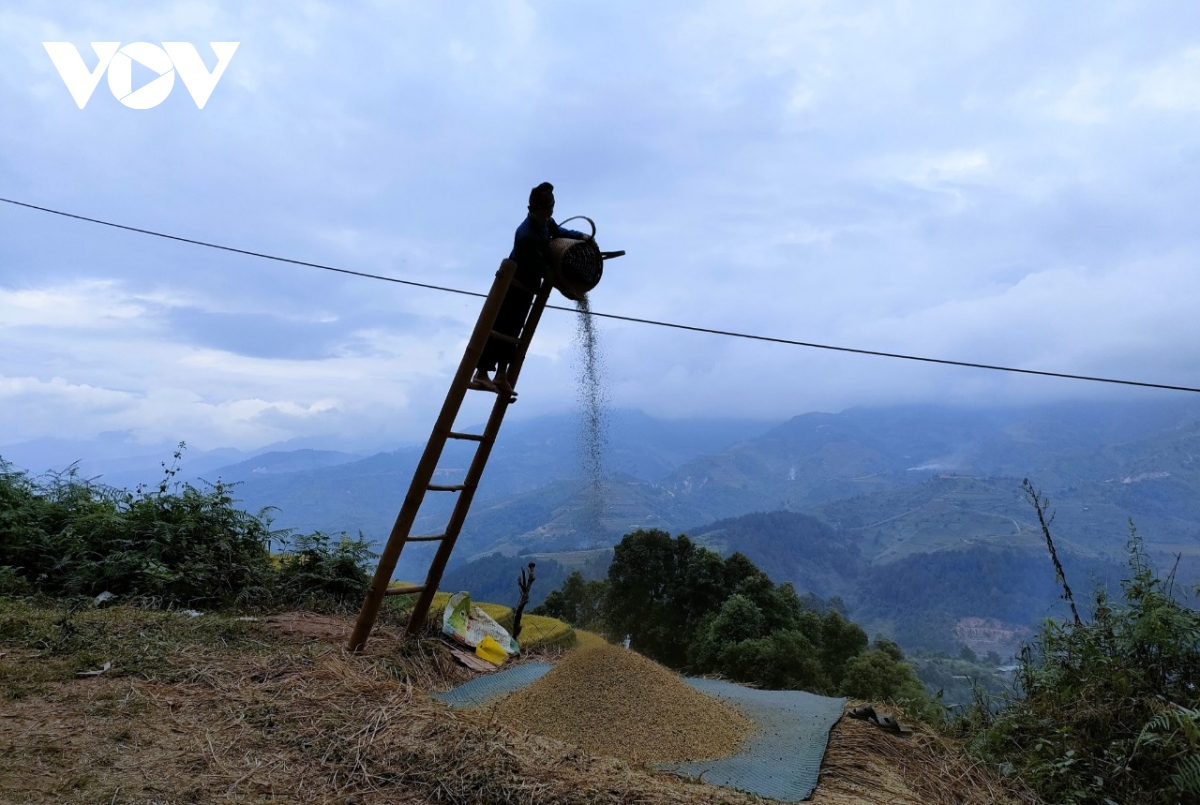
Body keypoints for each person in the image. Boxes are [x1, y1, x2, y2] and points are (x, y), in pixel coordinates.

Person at [470, 182, 587, 400]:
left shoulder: (546, 223)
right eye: (544, 212)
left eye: (550, 212)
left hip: (528, 289)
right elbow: (541, 268)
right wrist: (565, 290)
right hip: (512, 287)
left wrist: (582, 236)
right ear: (533, 210)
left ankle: (501, 375)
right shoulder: (525, 235)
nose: (547, 216)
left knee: (514, 332)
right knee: (500, 328)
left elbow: (559, 230)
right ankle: (482, 372)